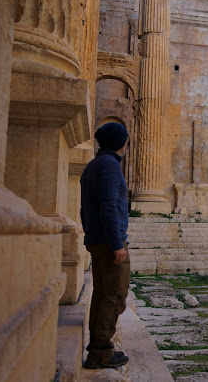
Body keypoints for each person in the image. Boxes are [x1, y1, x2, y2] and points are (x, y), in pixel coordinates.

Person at [80, 122, 131, 369]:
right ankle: (101, 352)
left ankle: (99, 349)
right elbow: (108, 206)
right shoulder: (110, 166)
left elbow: (85, 208)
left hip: (97, 239)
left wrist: (91, 235)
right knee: (115, 296)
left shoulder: (93, 165)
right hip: (109, 242)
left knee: (102, 296)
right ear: (120, 142)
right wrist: (116, 243)